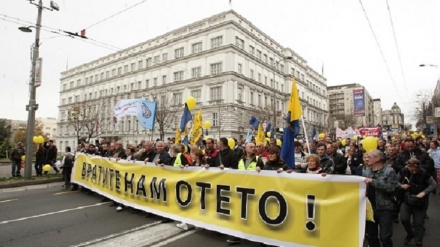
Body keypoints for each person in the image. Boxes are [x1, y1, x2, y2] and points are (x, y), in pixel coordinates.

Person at [397, 158, 436, 247]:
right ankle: (410, 233)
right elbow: (395, 181)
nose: (414, 172)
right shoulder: (403, 171)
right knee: (404, 219)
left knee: (418, 222)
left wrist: (424, 193)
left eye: (416, 170)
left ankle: (418, 242)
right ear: (408, 167)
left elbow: (433, 184)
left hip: (420, 200)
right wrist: (401, 186)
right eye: (412, 170)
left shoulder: (424, 173)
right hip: (406, 199)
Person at [363, 149, 398, 247]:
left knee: (385, 236)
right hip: (370, 208)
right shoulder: (366, 172)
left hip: (385, 207)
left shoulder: (389, 171)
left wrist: (373, 182)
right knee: (371, 236)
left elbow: (391, 188)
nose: (366, 159)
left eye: (369, 157)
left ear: (377, 158)